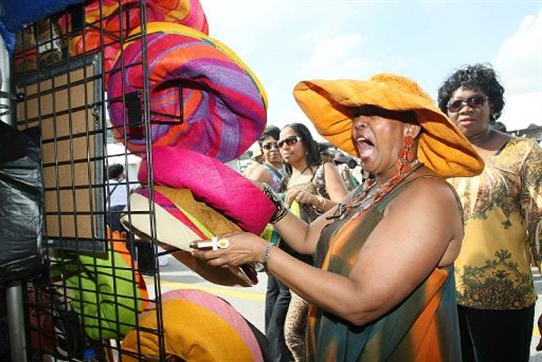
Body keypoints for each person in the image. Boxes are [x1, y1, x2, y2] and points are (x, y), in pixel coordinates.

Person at [191, 73, 484, 361]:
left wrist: (261, 252)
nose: (359, 122)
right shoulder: (371, 187)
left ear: (410, 128)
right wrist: (266, 198)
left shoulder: (428, 196)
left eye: (374, 113)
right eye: (357, 115)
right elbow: (307, 238)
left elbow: (360, 302)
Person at [437, 63, 542, 362]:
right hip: (446, 299)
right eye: (455, 104)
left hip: (506, 299)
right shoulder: (440, 160)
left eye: (475, 100)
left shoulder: (524, 153)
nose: (465, 108)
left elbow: (540, 225)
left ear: (492, 103)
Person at [277, 122, 348, 361]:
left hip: (323, 257)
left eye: (291, 140)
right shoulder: (285, 180)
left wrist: (315, 200)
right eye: (280, 143)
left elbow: (346, 206)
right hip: (293, 259)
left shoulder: (324, 169)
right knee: (312, 332)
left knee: (294, 333)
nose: (284, 146)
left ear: (306, 142)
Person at [247, 126, 292, 361]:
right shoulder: (263, 173)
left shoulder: (283, 168)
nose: (274, 150)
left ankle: (271, 346)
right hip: (272, 240)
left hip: (283, 239)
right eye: (268, 146)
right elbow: (246, 202)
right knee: (282, 295)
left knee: (275, 294)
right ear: (261, 151)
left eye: (277, 144)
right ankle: (276, 351)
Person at [107, 163, 128, 232]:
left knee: (113, 235)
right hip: (124, 211)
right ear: (120, 174)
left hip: (108, 212)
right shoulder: (127, 183)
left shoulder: (105, 184)